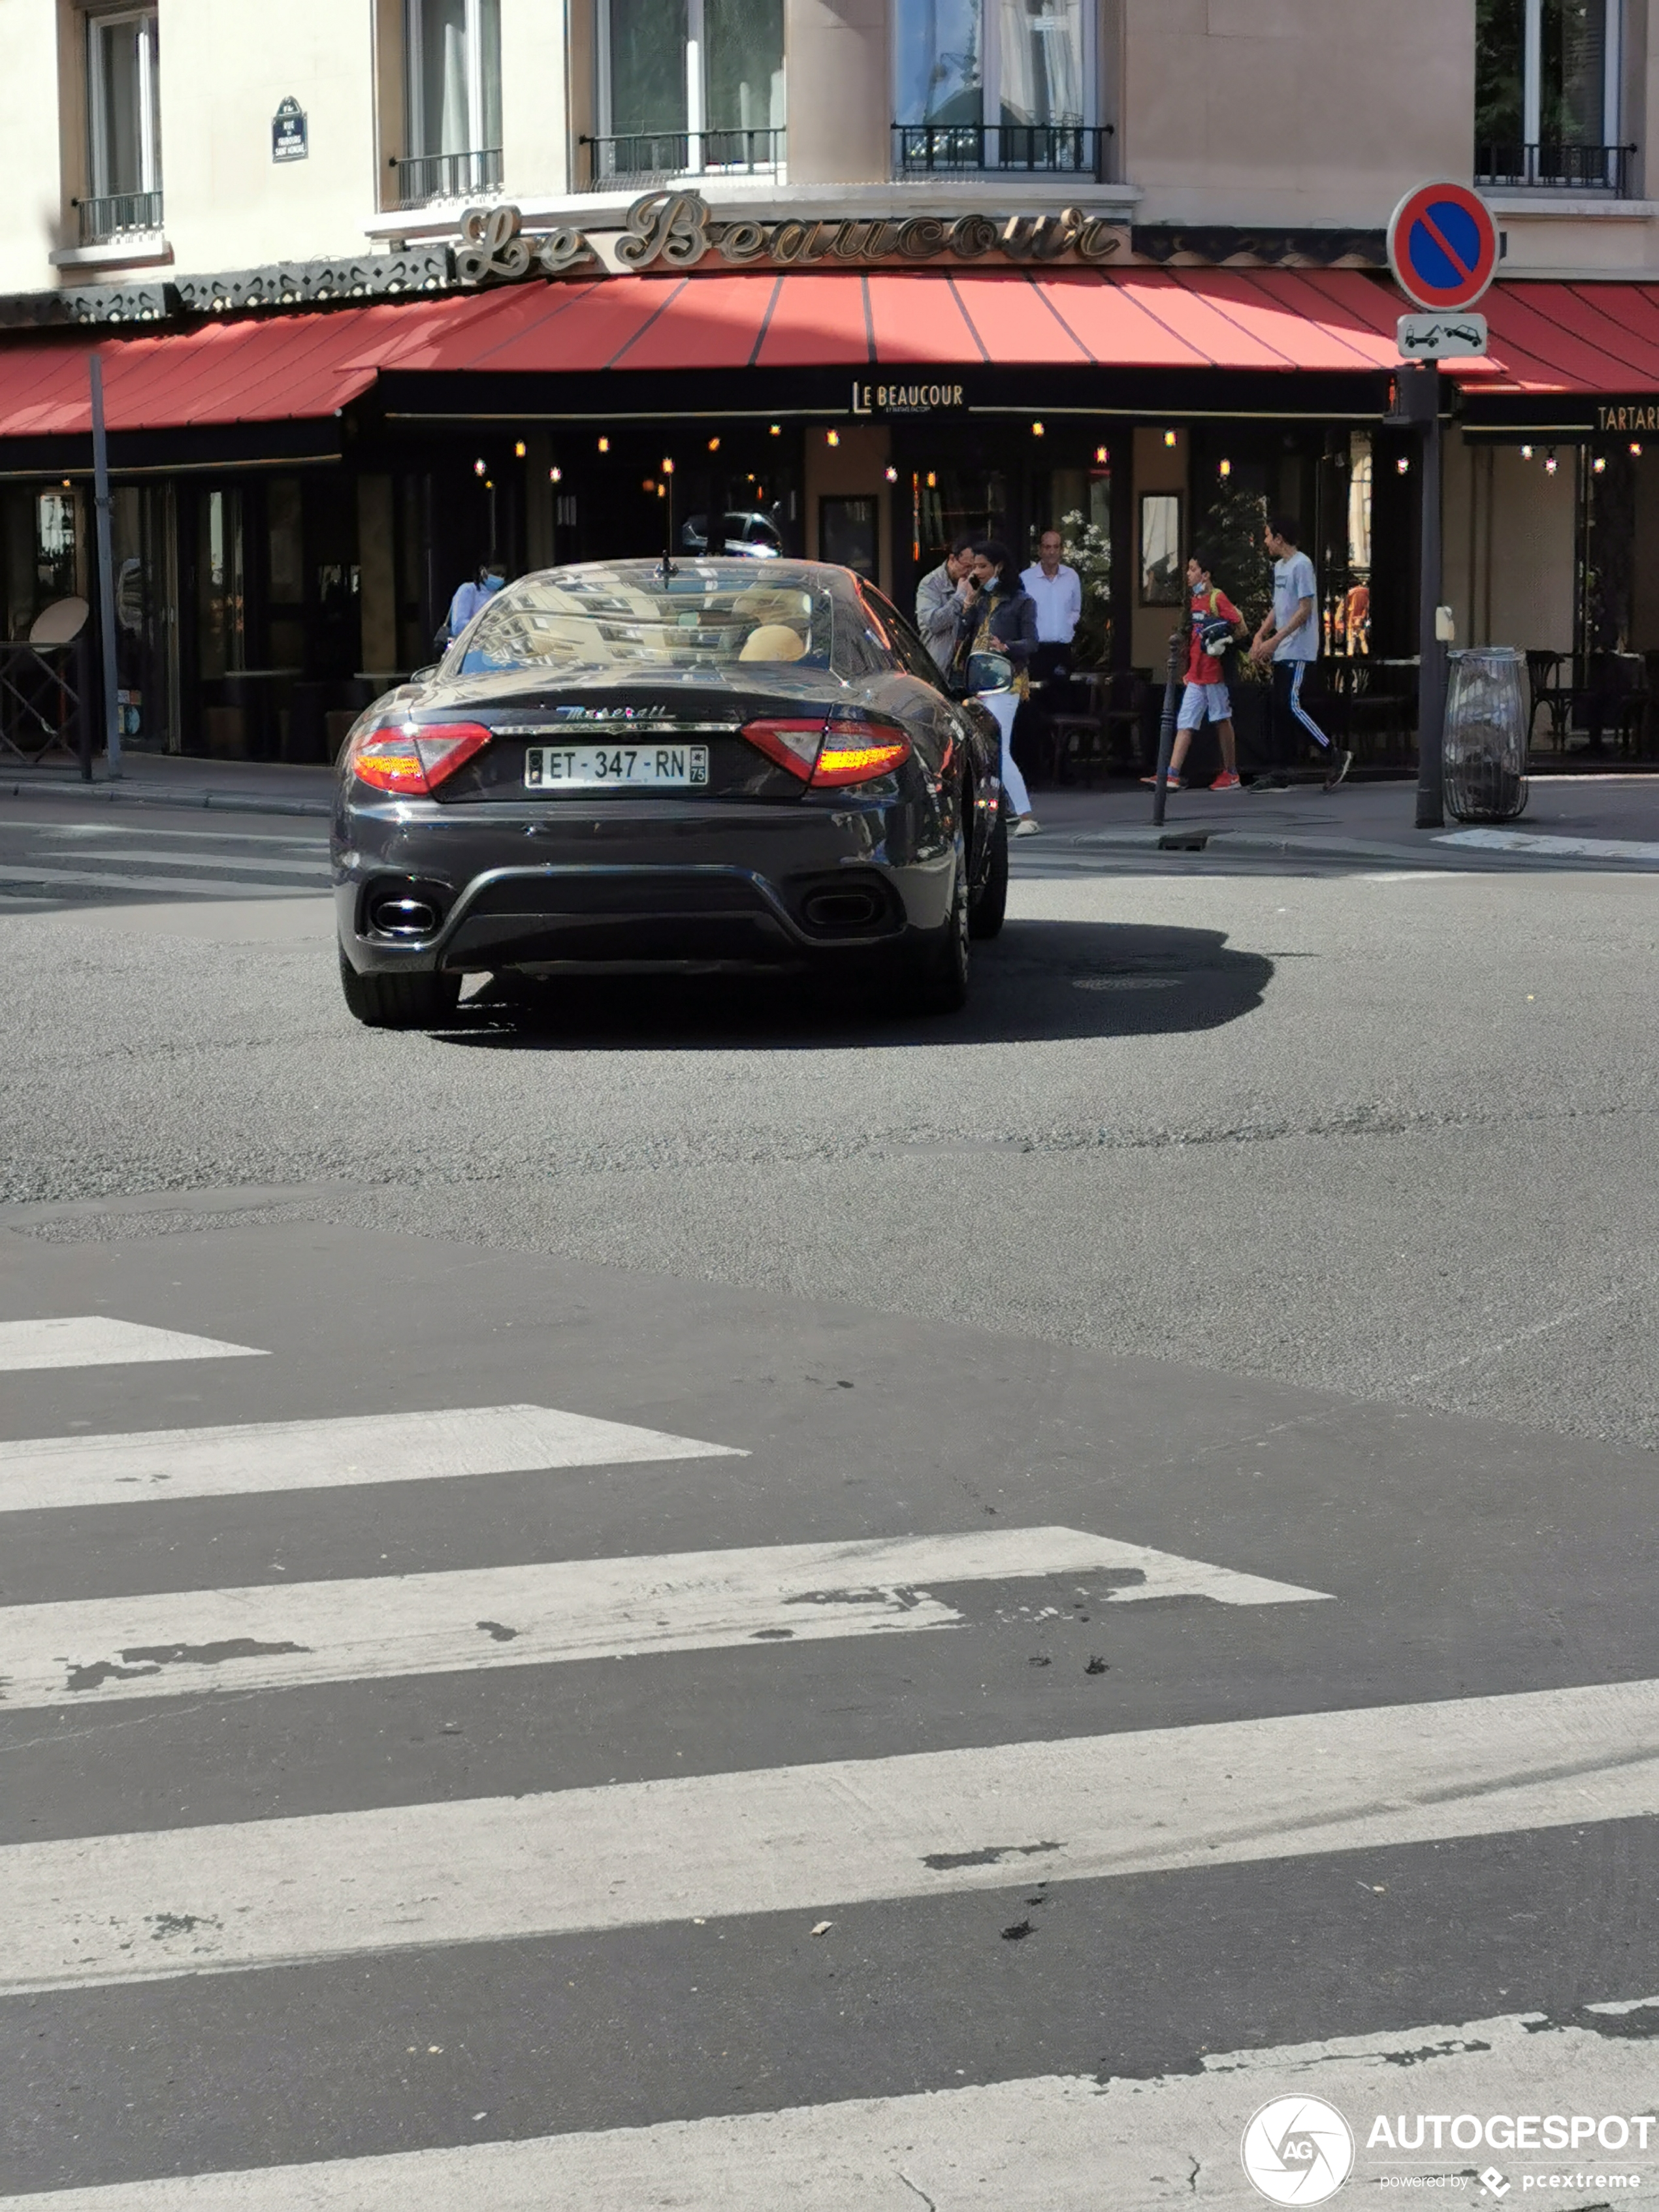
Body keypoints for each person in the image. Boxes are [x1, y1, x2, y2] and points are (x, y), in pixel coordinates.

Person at [1248, 517, 1352, 792]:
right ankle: (1282, 769)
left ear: (1280, 538)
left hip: (1299, 646)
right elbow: (1278, 607)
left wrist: (1274, 640)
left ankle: (1333, 752)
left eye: (1269, 536)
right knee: (1279, 707)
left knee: (1291, 704)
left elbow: (1305, 609)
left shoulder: (1302, 565)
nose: (1266, 542)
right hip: (1283, 645)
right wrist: (1261, 635)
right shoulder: (1280, 568)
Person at [957, 539, 1040, 836]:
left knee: (998, 748)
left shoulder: (1021, 601)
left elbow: (1032, 642)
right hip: (979, 679)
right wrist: (967, 603)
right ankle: (996, 809)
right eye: (974, 567)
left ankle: (1025, 814)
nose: (977, 572)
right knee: (982, 747)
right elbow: (961, 633)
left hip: (1007, 680)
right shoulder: (980, 600)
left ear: (999, 567)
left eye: (982, 567)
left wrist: (1007, 647)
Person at [1142, 549, 1245, 792]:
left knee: (1221, 719)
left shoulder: (1217, 598)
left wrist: (1223, 641)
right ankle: (1172, 774)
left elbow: (1240, 628)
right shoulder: (1195, 600)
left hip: (1215, 673)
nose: (1188, 574)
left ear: (1205, 575)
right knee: (1185, 721)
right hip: (1197, 674)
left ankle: (1231, 773)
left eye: (1192, 569)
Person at [1020, 527, 1082, 677]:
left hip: (1063, 649)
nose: (1052, 552)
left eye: (1056, 547)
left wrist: (1067, 626)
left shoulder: (1071, 577)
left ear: (1062, 550)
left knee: (1063, 698)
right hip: (1035, 651)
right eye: (1047, 547)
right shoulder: (1025, 579)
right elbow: (1019, 614)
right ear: (1040, 550)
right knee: (1037, 698)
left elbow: (1076, 609)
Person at [914, 536, 977, 673]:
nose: (969, 573)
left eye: (973, 568)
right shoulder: (930, 584)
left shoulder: (976, 580)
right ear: (952, 559)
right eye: (966, 567)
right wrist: (960, 597)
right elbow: (934, 623)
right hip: (940, 666)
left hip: (968, 665)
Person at [439, 558, 506, 650]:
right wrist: (487, 627)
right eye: (495, 573)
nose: (499, 578)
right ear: (483, 571)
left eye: (502, 575)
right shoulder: (468, 590)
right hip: (465, 650)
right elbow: (458, 626)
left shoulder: (501, 594)